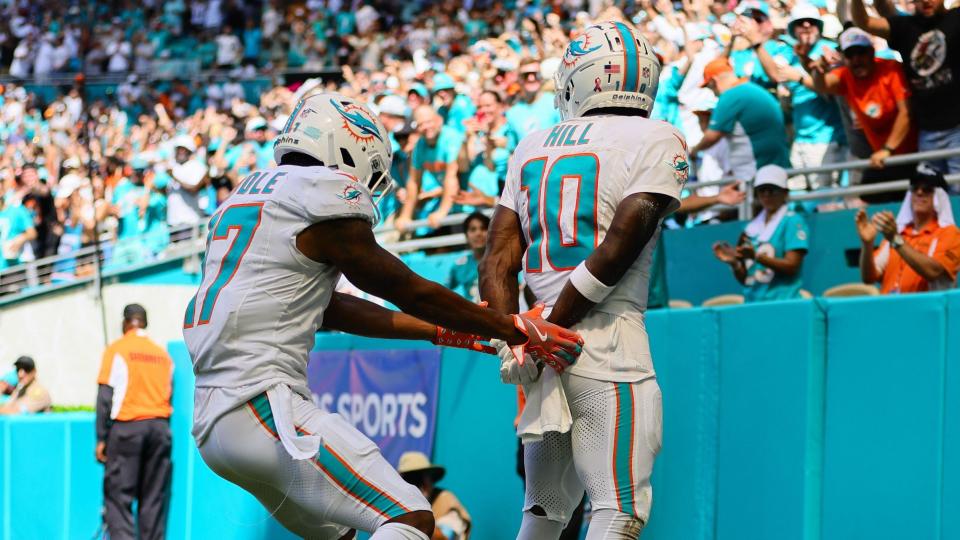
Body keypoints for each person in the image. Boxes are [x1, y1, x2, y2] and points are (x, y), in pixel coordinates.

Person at [182, 93, 582, 540]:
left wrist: (440, 332)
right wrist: (508, 326)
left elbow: (331, 305)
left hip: (213, 420)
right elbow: (403, 287)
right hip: (261, 403)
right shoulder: (321, 192)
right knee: (410, 516)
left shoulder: (247, 194)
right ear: (348, 146)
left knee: (346, 532)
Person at [481, 22, 685, 538]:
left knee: (544, 511)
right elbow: (619, 246)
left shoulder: (532, 143)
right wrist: (552, 327)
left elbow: (498, 256)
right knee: (617, 509)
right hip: (604, 339)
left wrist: (519, 335)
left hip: (541, 341)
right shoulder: (657, 136)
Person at [801, 27, 916, 203]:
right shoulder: (845, 75)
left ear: (871, 52)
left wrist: (888, 149)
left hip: (910, 155)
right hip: (881, 159)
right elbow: (823, 85)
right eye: (850, 55)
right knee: (862, 203)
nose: (856, 60)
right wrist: (817, 71)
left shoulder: (890, 69)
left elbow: (906, 113)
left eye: (861, 53)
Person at [741, 4, 847, 190]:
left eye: (812, 22)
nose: (806, 25)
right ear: (793, 29)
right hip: (800, 139)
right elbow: (775, 74)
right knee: (794, 197)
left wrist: (797, 77)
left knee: (825, 199)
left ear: (819, 26)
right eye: (800, 23)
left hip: (826, 139)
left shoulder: (829, 50)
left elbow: (831, 90)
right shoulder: (791, 54)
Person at [852, 0, 960, 174]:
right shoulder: (903, 27)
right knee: (930, 190)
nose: (926, 1)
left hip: (957, 129)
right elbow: (864, 22)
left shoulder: (956, 19)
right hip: (927, 132)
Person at [96, 304, 174, 540]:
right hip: (160, 430)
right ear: (145, 322)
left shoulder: (117, 349)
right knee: (152, 499)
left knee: (119, 499)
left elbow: (105, 397)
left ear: (125, 323)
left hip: (128, 428)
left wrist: (101, 438)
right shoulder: (163, 355)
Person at [713, 165, 810, 302]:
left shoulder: (793, 221)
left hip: (784, 302)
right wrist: (734, 263)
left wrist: (757, 257)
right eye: (761, 190)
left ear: (785, 193)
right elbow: (747, 280)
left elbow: (792, 266)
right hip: (753, 303)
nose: (766, 195)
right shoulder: (750, 229)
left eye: (772, 190)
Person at [857, 167, 960, 293]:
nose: (919, 193)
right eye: (914, 188)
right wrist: (867, 245)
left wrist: (896, 239)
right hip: (889, 308)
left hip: (925, 310)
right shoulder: (898, 232)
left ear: (939, 197)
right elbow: (869, 278)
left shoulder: (950, 233)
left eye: (927, 189)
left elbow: (933, 272)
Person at [691, 57, 791, 181]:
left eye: (710, 87)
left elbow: (712, 136)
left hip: (757, 170)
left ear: (714, 80)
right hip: (772, 165)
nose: (713, 93)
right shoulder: (751, 89)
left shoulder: (731, 95)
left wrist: (694, 150)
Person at [395, 105, 464, 232]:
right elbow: (414, 182)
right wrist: (406, 215)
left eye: (429, 122)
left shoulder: (451, 137)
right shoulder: (420, 145)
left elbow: (451, 177)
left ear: (439, 120)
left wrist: (441, 212)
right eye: (421, 124)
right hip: (452, 202)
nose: (426, 127)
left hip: (469, 201)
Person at [397, 452, 471, 540]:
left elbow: (444, 537)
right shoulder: (395, 505)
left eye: (418, 477)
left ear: (429, 479)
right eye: (409, 479)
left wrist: (413, 519)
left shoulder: (445, 500)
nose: (415, 486)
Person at [448, 212, 489, 301]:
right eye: (473, 229)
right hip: (471, 313)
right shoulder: (460, 265)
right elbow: (444, 291)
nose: (478, 233)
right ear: (466, 236)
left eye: (483, 228)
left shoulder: (502, 260)